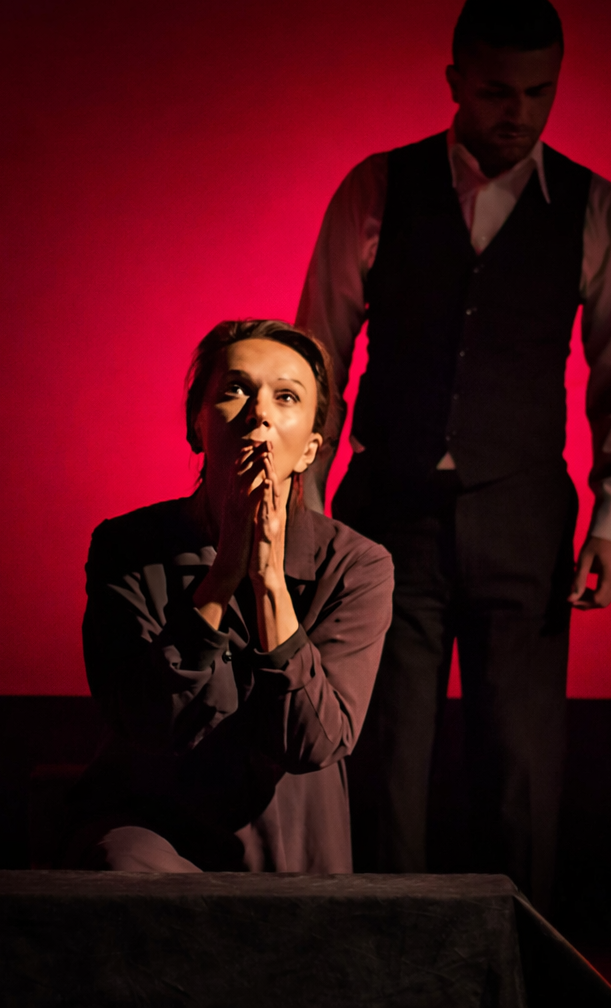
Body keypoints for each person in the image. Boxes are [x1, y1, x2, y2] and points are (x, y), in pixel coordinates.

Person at [295, 0, 611, 910]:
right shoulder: (379, 187)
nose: (519, 113)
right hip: (389, 516)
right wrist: (302, 509)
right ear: (455, 80)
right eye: (498, 91)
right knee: (382, 761)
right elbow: (318, 360)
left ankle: (519, 961)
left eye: (540, 92)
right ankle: (380, 959)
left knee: (521, 769)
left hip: (523, 513)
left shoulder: (592, 207)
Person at [65, 319, 394, 873]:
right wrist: (221, 577)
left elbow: (315, 742)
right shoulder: (127, 546)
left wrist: (267, 579)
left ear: (311, 449)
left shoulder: (357, 565)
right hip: (150, 826)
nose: (259, 411)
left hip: (289, 842)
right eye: (237, 389)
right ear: (196, 427)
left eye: (286, 396)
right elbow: (149, 719)